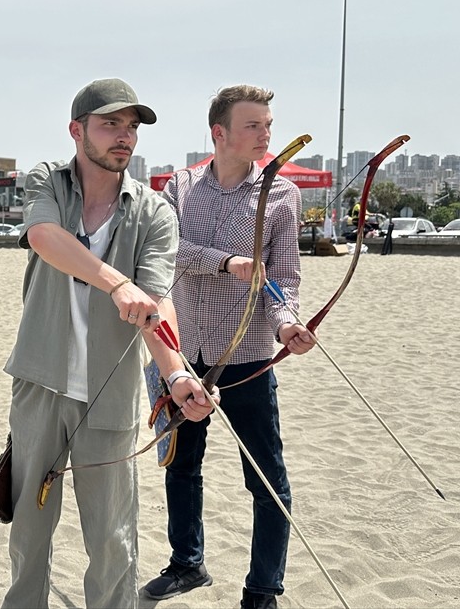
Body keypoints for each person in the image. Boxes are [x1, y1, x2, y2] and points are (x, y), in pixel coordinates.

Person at [2, 78, 215, 609]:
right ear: (77, 131)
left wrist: (177, 374)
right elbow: (44, 238)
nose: (125, 136)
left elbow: (157, 303)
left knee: (113, 539)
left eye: (132, 127)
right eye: (110, 124)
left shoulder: (154, 212)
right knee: (28, 530)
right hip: (40, 380)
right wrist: (118, 283)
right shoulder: (47, 181)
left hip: (112, 392)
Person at [147, 85, 316, 609]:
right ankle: (187, 563)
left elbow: (282, 280)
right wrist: (228, 262)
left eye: (268, 124)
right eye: (253, 125)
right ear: (219, 133)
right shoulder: (179, 187)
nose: (266, 133)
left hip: (247, 359)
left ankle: (263, 589)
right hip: (182, 353)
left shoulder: (282, 196)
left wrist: (288, 324)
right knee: (181, 466)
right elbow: (169, 253)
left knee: (267, 479)